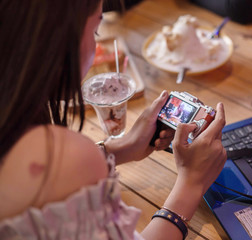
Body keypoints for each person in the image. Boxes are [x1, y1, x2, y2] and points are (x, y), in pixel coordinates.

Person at [0, 0, 227, 239]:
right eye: (96, 29)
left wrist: (122, 148)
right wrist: (191, 185)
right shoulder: (58, 159)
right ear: (58, 38)